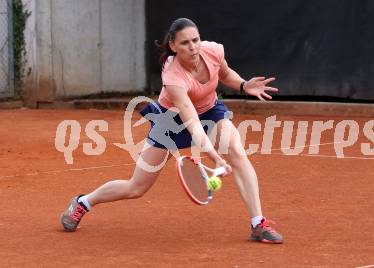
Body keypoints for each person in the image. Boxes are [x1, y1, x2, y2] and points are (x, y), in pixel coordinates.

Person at [60, 18, 283, 244]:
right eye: (185, 43)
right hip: (172, 122)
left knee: (236, 151)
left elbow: (224, 74)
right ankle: (83, 202)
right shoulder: (173, 76)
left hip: (210, 110)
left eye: (195, 40)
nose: (193, 46)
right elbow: (193, 123)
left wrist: (244, 85)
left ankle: (258, 223)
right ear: (173, 46)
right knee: (136, 187)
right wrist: (216, 158)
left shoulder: (213, 51)